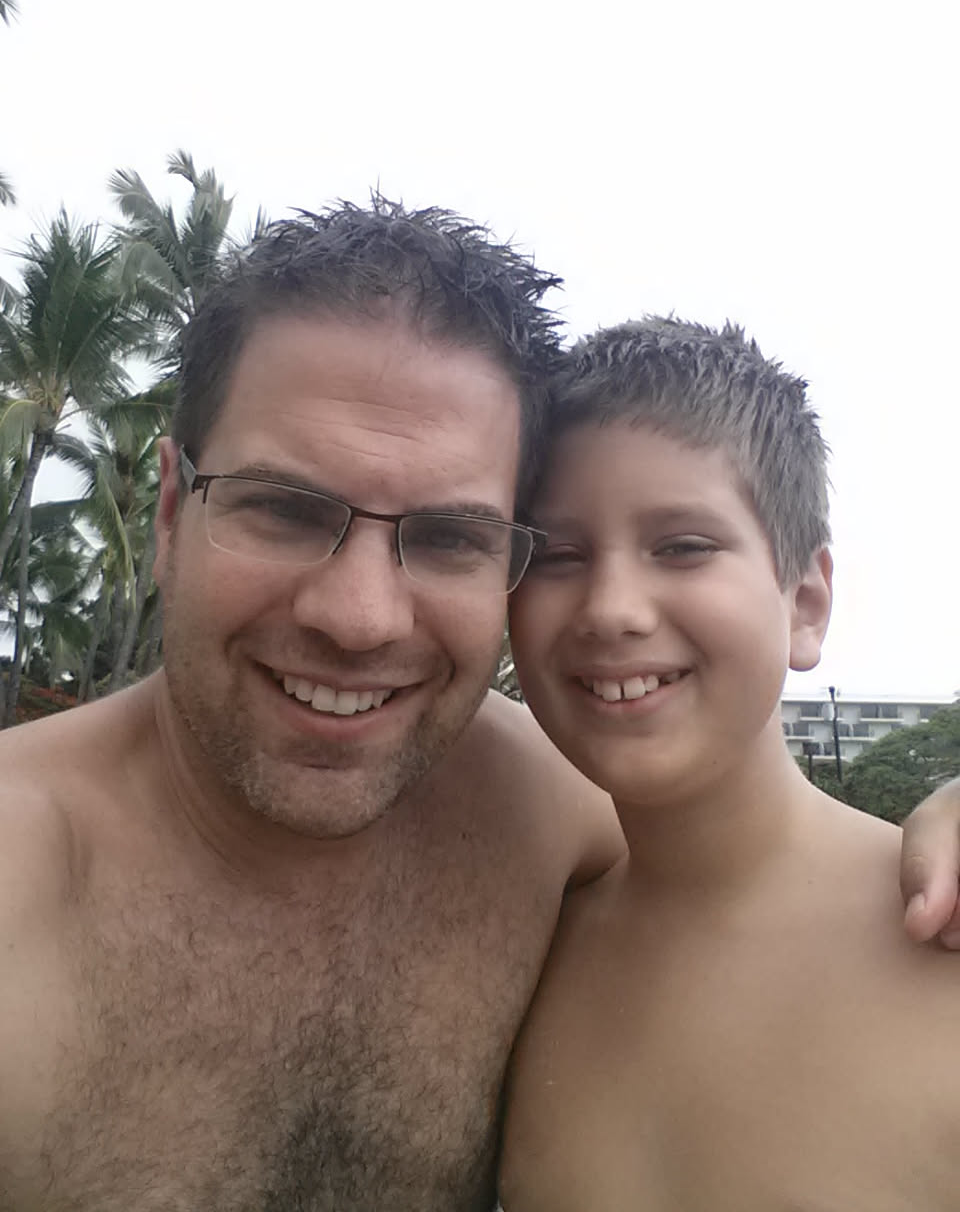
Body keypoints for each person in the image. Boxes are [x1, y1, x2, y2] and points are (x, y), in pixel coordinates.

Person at [0, 206, 956, 1212]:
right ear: (166, 512)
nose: (359, 618)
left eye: (449, 535)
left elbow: (729, 842)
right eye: (283, 508)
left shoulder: (534, 811)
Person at [500, 318, 960, 1211]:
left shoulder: (940, 937)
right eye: (557, 555)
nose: (612, 608)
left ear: (806, 604)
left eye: (683, 547)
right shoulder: (516, 944)